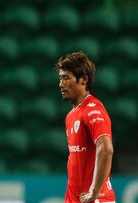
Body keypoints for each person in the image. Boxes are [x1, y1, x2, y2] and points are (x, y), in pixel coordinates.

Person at [55, 51, 115, 203]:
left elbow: (106, 149)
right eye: (60, 78)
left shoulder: (93, 109)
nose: (61, 84)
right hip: (74, 198)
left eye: (66, 78)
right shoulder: (71, 116)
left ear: (83, 80)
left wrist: (94, 192)